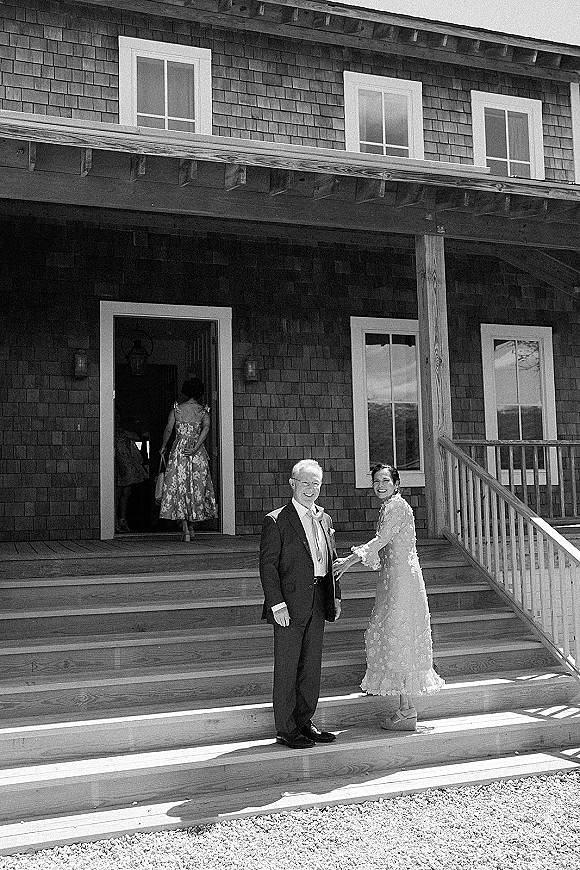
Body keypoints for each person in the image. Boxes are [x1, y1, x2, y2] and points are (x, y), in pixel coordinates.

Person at [334, 464, 444, 731]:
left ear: (396, 483)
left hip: (402, 580)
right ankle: (406, 710)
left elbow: (381, 539)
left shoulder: (396, 506)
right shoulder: (391, 506)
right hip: (395, 576)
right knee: (394, 634)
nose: (380, 485)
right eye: (375, 481)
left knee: (399, 634)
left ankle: (407, 711)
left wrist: (349, 560)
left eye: (385, 480)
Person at [259, 459, 341, 750]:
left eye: (315, 483)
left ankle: (305, 722)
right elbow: (268, 567)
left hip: (319, 599)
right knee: (287, 666)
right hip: (289, 605)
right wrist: (276, 604)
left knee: (311, 666)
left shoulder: (325, 519)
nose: (310, 489)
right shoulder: (277, 520)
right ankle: (286, 729)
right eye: (305, 482)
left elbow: (330, 561)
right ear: (292, 484)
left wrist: (336, 595)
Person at [158, 377, 218, 541]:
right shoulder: (202, 411)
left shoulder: (177, 409)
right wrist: (196, 446)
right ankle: (192, 526)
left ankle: (185, 528)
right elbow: (205, 429)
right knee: (196, 487)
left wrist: (163, 446)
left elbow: (169, 429)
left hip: (179, 451)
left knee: (180, 487)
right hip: (196, 453)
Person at [114, 409, 148, 533]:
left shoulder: (123, 432)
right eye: (115, 414)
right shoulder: (111, 432)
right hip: (118, 467)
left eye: (118, 414)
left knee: (126, 493)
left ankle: (123, 519)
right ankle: (114, 521)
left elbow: (138, 436)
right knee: (117, 494)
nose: (116, 417)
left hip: (127, 466)